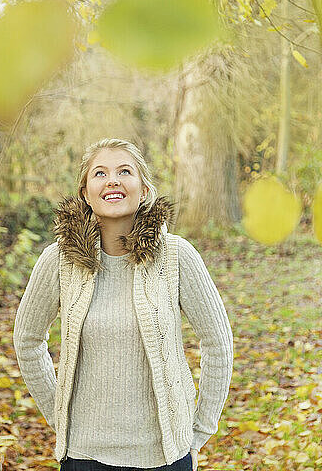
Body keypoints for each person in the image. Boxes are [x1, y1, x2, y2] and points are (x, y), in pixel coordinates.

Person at [13, 138, 234, 471]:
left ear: (143, 190)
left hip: (165, 457)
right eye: (100, 173)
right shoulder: (58, 260)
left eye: (124, 171)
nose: (112, 180)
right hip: (83, 457)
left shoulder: (177, 256)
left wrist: (198, 432)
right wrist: (59, 414)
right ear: (86, 193)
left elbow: (219, 343)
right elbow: (27, 341)